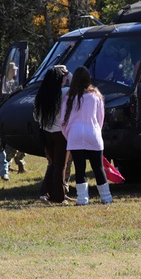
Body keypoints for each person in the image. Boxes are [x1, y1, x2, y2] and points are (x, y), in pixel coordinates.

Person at [61, 66, 112, 205]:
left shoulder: (69, 98)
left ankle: (82, 199)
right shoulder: (96, 96)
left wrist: (69, 136)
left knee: (79, 168)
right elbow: (100, 118)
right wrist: (96, 130)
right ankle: (106, 197)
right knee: (98, 167)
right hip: (93, 133)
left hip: (75, 135)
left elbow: (63, 122)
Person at [34, 65, 70, 204]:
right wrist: (68, 72)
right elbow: (79, 87)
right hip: (60, 134)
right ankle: (59, 197)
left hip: (45, 133)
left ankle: (44, 193)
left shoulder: (41, 94)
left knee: (52, 164)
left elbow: (36, 116)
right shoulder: (64, 92)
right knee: (60, 166)